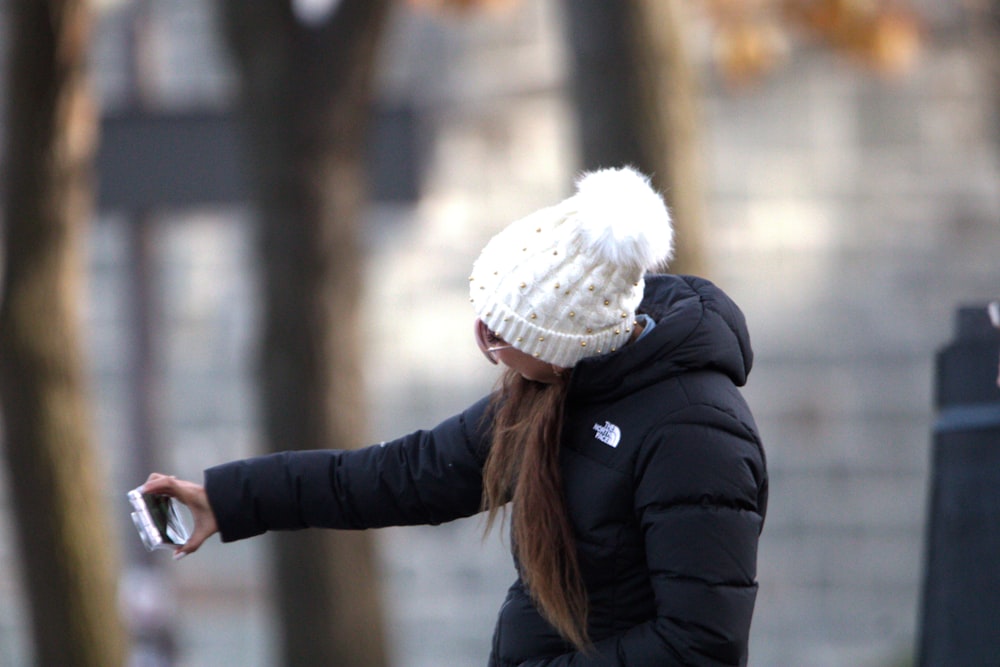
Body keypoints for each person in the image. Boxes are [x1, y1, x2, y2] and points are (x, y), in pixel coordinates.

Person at [143, 166, 768, 666]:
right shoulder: (552, 391)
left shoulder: (696, 435)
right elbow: (401, 475)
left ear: (561, 340)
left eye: (500, 333)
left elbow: (700, 646)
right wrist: (227, 500)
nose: (483, 343)